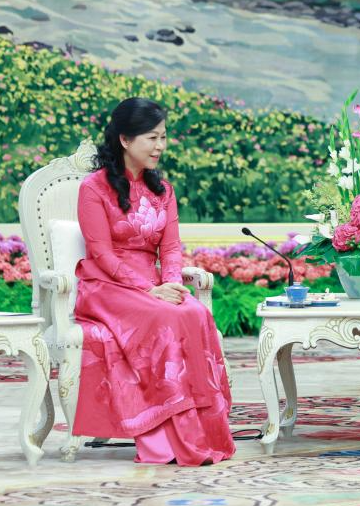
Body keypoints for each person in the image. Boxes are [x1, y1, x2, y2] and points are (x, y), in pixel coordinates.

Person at [72, 97, 235, 465]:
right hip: (106, 286)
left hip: (155, 285)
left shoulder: (164, 191)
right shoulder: (94, 190)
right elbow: (102, 255)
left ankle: (202, 433)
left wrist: (173, 284)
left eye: (163, 137)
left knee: (193, 313)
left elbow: (172, 247)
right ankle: (165, 438)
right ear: (125, 140)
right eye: (152, 137)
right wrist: (148, 289)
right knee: (167, 318)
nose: (160, 146)